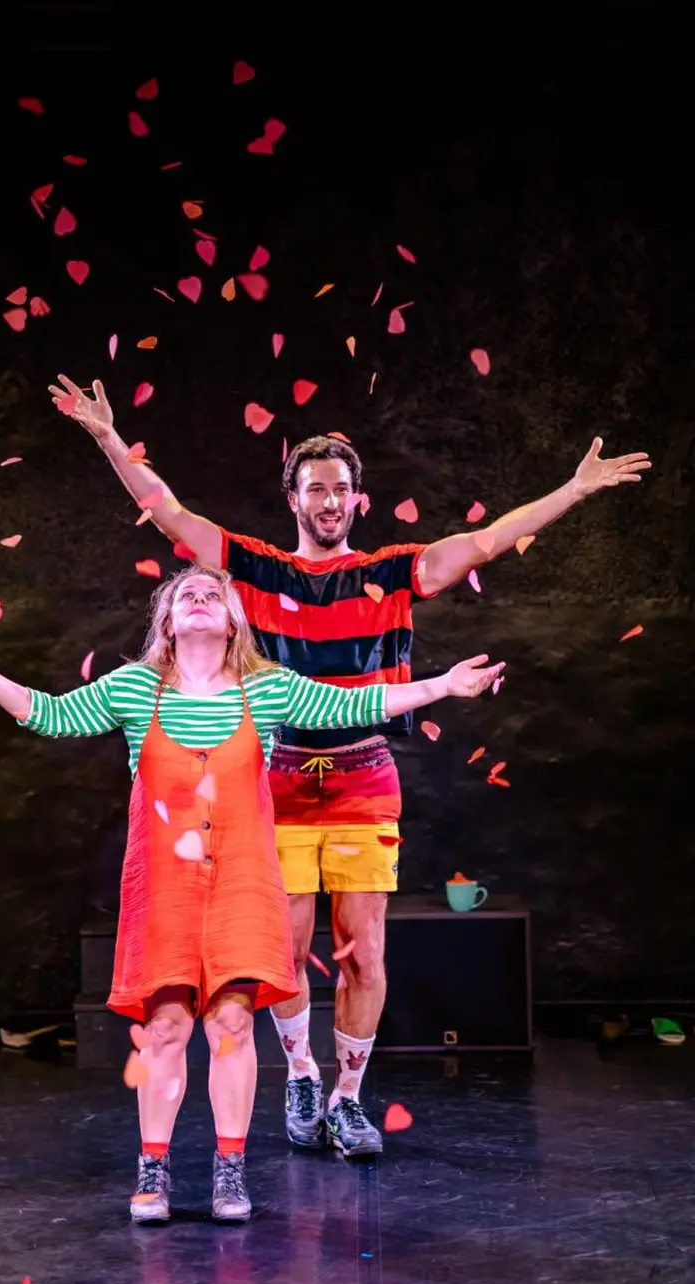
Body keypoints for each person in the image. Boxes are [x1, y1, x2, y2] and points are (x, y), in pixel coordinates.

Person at [49, 375, 650, 1156]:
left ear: (357, 499)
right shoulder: (257, 570)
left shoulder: (397, 572)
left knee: (364, 950)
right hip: (278, 782)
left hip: (365, 778)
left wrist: (573, 489)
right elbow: (168, 512)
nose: (329, 501)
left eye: (340, 489)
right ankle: (302, 1074)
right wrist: (107, 436)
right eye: (315, 489)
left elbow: (489, 541)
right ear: (293, 499)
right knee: (285, 949)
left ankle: (346, 1098)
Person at [0, 566, 503, 1219]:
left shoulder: (267, 688)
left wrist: (442, 686)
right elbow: (52, 715)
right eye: (188, 595)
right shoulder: (136, 687)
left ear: (233, 622)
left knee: (233, 1023)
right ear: (168, 622)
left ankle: (230, 1170)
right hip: (166, 889)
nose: (201, 600)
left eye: (214, 595)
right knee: (166, 1027)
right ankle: (153, 1170)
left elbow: (355, 705)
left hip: (240, 883)